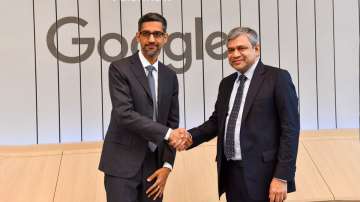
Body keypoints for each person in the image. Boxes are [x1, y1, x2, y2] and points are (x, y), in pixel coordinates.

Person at [180, 27, 300, 202]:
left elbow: (290, 129)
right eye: (230, 50)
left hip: (265, 176)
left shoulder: (277, 78)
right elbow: (216, 122)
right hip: (231, 173)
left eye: (241, 48)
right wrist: (189, 137)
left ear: (256, 49)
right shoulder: (227, 84)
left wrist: (282, 177)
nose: (235, 54)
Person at [99, 12, 189, 202]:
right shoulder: (119, 68)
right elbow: (124, 114)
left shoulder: (170, 76)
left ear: (165, 38)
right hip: (121, 166)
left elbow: (172, 123)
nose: (151, 39)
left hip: (154, 167)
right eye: (146, 34)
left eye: (157, 34)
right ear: (137, 36)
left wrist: (167, 166)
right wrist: (167, 133)